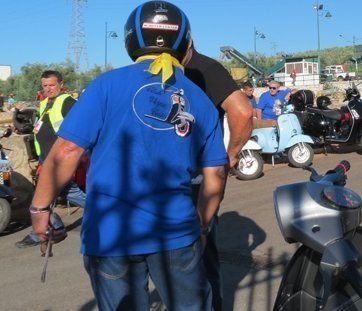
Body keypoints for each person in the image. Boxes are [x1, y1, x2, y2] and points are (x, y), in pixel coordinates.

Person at [29, 2, 226, 310]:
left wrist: (40, 210)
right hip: (176, 233)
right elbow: (216, 174)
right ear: (184, 41)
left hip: (111, 233)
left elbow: (66, 151)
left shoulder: (105, 86)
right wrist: (200, 225)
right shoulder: (199, 99)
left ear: (130, 39)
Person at [182, 40, 254, 310]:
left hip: (197, 180)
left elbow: (243, 113)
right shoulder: (176, 71)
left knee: (199, 256)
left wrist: (230, 156)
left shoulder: (205, 68)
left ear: (187, 41)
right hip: (184, 179)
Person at [14, 70, 87, 248]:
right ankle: (54, 225)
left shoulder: (67, 102)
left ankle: (41, 231)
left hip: (59, 161)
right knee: (65, 194)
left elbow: (79, 127)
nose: (48, 89)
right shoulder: (45, 103)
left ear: (61, 84)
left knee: (44, 197)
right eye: (45, 85)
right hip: (46, 159)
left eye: (52, 85)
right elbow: (43, 128)